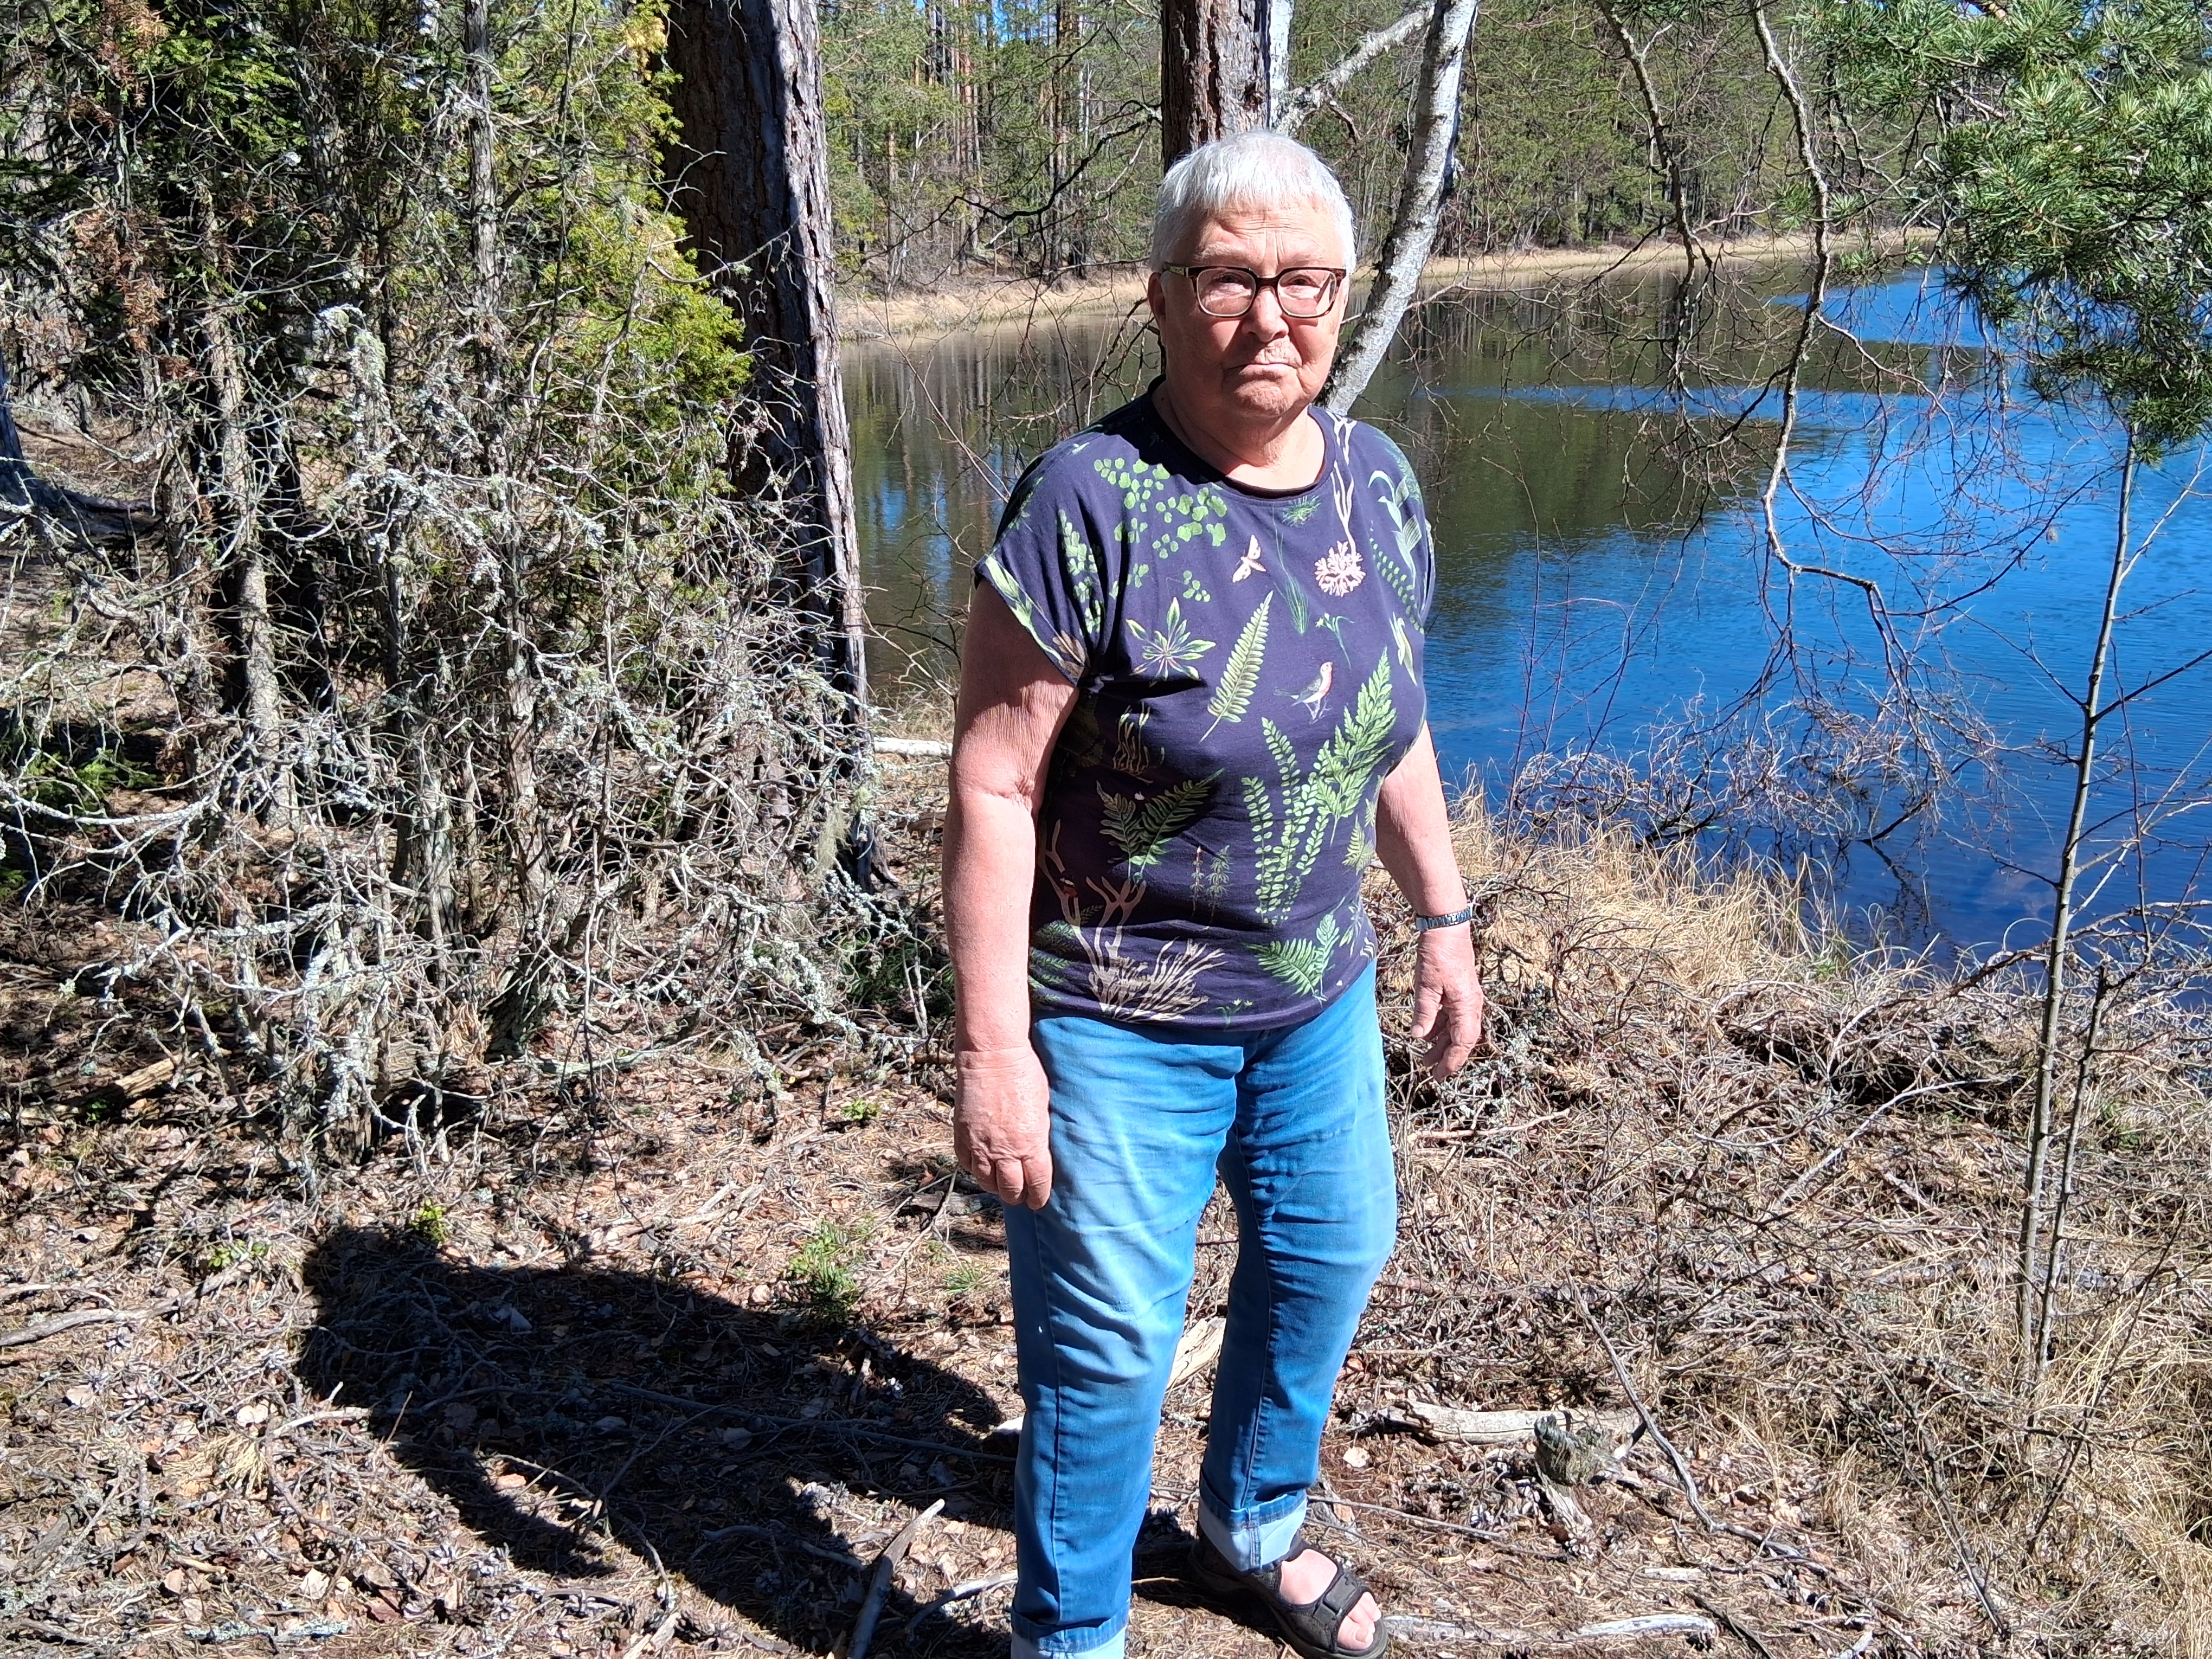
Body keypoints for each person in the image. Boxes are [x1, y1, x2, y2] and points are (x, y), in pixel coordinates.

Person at [941, 129, 1484, 1659]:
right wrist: (994, 1049)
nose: (1271, 316)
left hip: (1317, 997)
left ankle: (1248, 1521)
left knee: (1328, 1255)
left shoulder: (1376, 482)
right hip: (1117, 1018)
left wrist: (1441, 915)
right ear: (1166, 295)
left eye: (1301, 281)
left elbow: (1395, 718)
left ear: (1343, 292)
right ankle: (1073, 1632)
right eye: (1231, 278)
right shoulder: (1088, 501)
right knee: (1108, 1354)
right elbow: (990, 786)